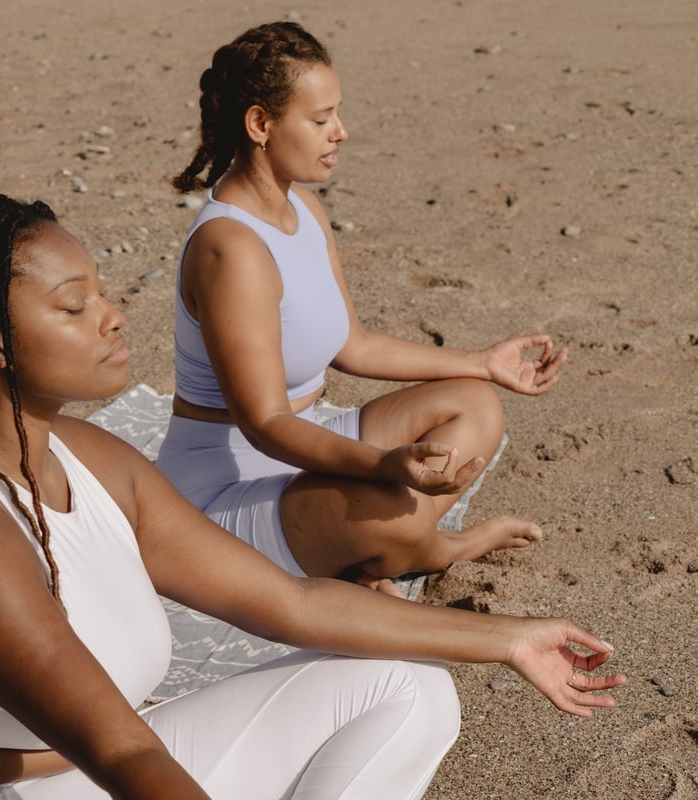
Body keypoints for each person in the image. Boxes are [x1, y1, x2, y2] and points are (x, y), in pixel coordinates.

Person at [0, 174, 621, 800]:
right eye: (74, 306)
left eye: (101, 290)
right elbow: (122, 750)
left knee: (406, 688)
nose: (112, 316)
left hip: (93, 771)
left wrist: (513, 639)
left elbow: (295, 605)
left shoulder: (92, 457)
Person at [157, 21, 567, 595]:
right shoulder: (231, 248)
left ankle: (375, 549)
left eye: (337, 115)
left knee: (474, 404)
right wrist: (381, 466)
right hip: (219, 497)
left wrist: (481, 363)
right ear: (261, 124)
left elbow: (353, 344)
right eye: (321, 120)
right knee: (386, 501)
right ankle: (444, 545)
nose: (341, 132)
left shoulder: (304, 207)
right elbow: (264, 424)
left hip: (302, 451)